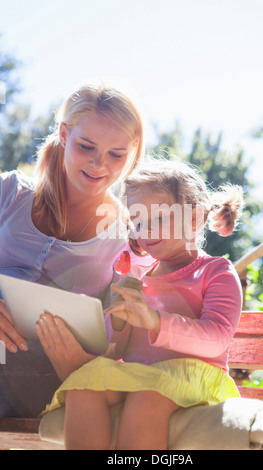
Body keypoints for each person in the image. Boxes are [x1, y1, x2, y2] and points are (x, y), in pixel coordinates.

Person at [38, 158, 244, 450]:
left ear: (195, 218)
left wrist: (155, 320)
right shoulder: (139, 280)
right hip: (139, 376)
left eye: (158, 218)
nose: (145, 231)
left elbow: (217, 338)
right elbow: (118, 350)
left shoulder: (215, 272)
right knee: (84, 387)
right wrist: (120, 318)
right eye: (137, 222)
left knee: (146, 397)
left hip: (194, 379)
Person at [0, 78, 147, 418]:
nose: (100, 164)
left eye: (116, 154)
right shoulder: (9, 192)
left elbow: (122, 340)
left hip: (48, 374)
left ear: (133, 152)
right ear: (64, 135)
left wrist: (80, 364)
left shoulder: (130, 238)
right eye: (86, 147)